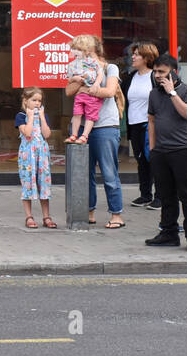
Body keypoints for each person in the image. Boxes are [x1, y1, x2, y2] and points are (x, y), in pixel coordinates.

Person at [144, 55, 187, 252]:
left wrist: (172, 93)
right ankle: (169, 233)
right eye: (155, 72)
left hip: (182, 150)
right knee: (166, 196)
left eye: (162, 72)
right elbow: (151, 121)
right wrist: (153, 150)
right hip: (161, 152)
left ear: (173, 72)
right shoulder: (154, 94)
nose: (157, 76)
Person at [65, 37, 124, 228]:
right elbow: (69, 91)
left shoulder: (109, 68)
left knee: (108, 171)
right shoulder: (77, 67)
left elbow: (109, 92)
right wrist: (81, 82)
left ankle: (116, 215)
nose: (76, 53)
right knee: (85, 172)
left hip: (105, 126)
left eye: (79, 49)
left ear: (90, 49)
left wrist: (85, 89)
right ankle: (88, 211)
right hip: (82, 126)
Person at [122, 42, 159, 208]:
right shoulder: (130, 77)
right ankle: (145, 195)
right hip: (134, 124)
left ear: (147, 58)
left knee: (155, 161)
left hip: (150, 125)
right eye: (133, 54)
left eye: (137, 54)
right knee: (141, 160)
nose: (133, 57)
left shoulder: (155, 77)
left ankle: (160, 196)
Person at [16, 87, 56, 229]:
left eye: (39, 101)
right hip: (28, 156)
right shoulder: (21, 116)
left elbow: (47, 134)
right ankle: (29, 216)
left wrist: (43, 118)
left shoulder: (43, 116)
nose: (37, 103)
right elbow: (27, 133)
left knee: (44, 184)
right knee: (28, 183)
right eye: (34, 100)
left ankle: (46, 216)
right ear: (26, 101)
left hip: (42, 154)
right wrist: (31, 117)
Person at [64, 34, 105, 144]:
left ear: (87, 51)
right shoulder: (72, 65)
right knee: (77, 113)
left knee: (90, 115)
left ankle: (84, 135)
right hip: (79, 95)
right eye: (74, 49)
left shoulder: (92, 62)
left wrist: (96, 84)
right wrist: (74, 78)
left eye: (79, 49)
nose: (76, 52)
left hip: (92, 94)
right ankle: (74, 134)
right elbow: (68, 80)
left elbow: (100, 74)